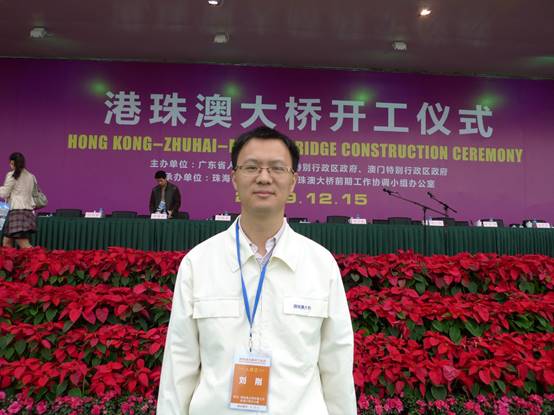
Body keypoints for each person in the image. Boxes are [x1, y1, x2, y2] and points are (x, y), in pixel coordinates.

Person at [157, 126, 356, 415]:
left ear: (293, 181)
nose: (264, 177)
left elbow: (337, 368)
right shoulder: (199, 263)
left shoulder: (320, 264)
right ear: (234, 178)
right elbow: (179, 366)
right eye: (251, 167)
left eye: (277, 168)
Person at [0, 152, 37, 248]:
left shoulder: (11, 175)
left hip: (17, 211)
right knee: (6, 242)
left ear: (13, 163)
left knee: (23, 243)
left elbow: (4, 193)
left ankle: (39, 257)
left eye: (11, 163)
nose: (10, 165)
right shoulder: (31, 176)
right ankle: (9, 259)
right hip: (27, 212)